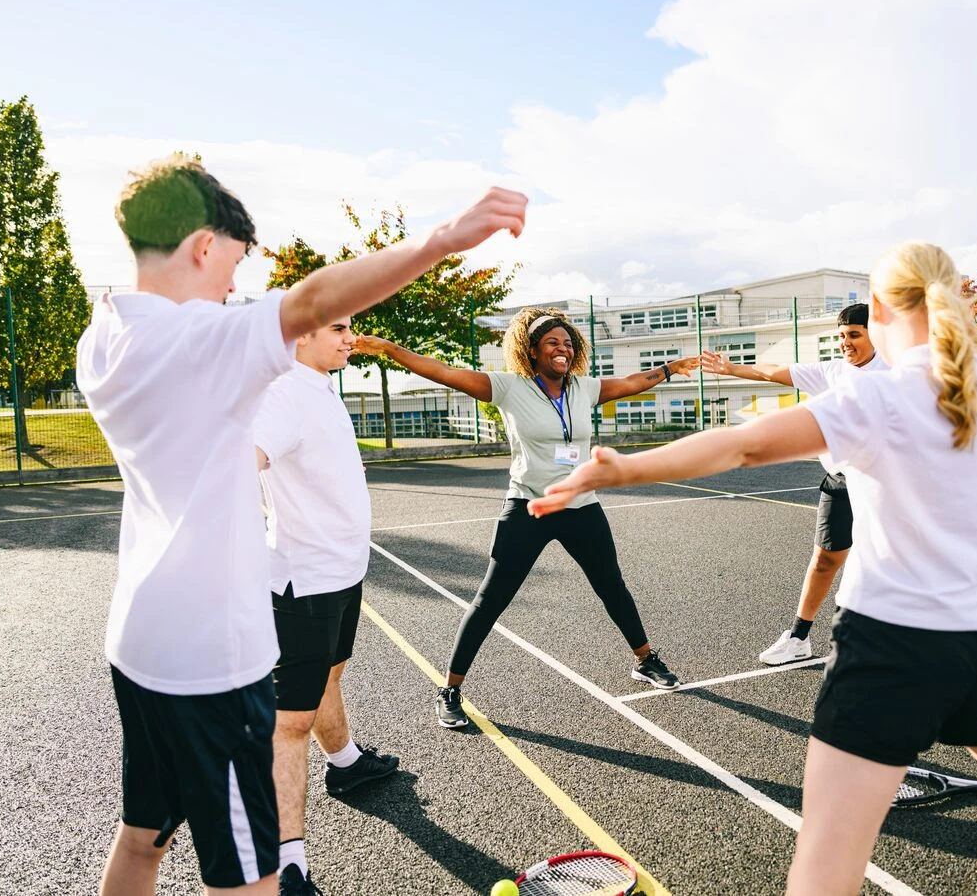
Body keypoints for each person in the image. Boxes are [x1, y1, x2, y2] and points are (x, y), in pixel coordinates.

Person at [529, 241, 977, 896]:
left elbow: (743, 445)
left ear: (876, 312)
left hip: (890, 652)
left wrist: (624, 469)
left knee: (827, 861)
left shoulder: (876, 395)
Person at [78, 154, 525, 896]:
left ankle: (345, 757)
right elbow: (313, 300)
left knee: (140, 841)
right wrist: (444, 237)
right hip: (211, 663)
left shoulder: (105, 336)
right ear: (201, 246)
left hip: (139, 643)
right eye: (233, 263)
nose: (233, 286)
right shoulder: (199, 346)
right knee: (250, 879)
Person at [352, 309, 700, 729]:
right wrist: (389, 349)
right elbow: (442, 372)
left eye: (569, 344)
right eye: (553, 343)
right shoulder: (508, 387)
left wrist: (670, 367)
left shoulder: (583, 389)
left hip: (580, 506)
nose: (563, 350)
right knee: (489, 601)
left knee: (612, 586)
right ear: (532, 350)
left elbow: (631, 383)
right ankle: (450, 690)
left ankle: (645, 660)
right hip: (529, 507)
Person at [702, 304, 977, 665]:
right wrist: (733, 367)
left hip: (886, 485)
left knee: (900, 565)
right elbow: (773, 372)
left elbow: (965, 367)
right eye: (841, 336)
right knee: (825, 559)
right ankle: (798, 638)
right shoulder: (831, 372)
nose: (845, 342)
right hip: (841, 482)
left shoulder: (897, 368)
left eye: (854, 335)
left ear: (875, 334)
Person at [253, 316, 400, 896]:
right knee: (288, 724)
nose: (349, 337)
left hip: (343, 574)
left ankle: (345, 764)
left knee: (331, 677)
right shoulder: (284, 392)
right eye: (337, 327)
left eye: (352, 327)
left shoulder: (320, 383)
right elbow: (245, 460)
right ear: (300, 334)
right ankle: (286, 863)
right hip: (303, 586)